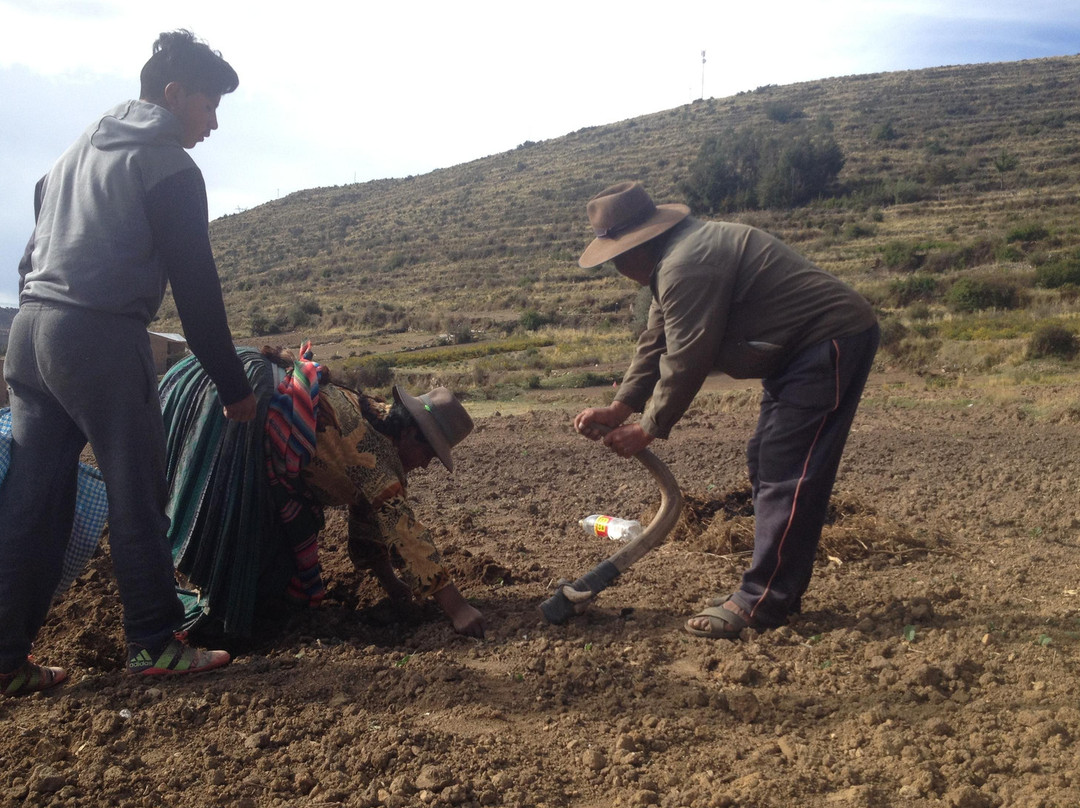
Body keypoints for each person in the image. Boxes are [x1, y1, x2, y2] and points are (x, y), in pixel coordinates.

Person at [0, 30, 256, 697]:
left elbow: (30, 252)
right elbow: (196, 290)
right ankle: (154, 642)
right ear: (173, 96)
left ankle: (4, 656)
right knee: (138, 494)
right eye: (208, 106)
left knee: (33, 502)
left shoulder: (72, 154)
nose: (214, 123)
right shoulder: (167, 164)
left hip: (28, 333)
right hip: (101, 337)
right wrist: (233, 386)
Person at [573, 181, 879, 640]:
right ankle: (775, 590)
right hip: (801, 353)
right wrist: (621, 407)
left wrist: (647, 430)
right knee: (768, 460)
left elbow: (687, 357)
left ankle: (763, 602)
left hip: (825, 344)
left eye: (615, 255)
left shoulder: (686, 265)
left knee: (786, 471)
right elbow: (655, 341)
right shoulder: (673, 262)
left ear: (640, 243)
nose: (615, 266)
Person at [160, 345, 486, 640]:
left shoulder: (372, 415)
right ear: (413, 434)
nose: (426, 466)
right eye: (429, 455)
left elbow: (368, 520)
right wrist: (459, 609)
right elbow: (405, 533)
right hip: (245, 416)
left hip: (249, 403)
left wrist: (393, 586)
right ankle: (213, 623)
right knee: (245, 555)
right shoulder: (379, 457)